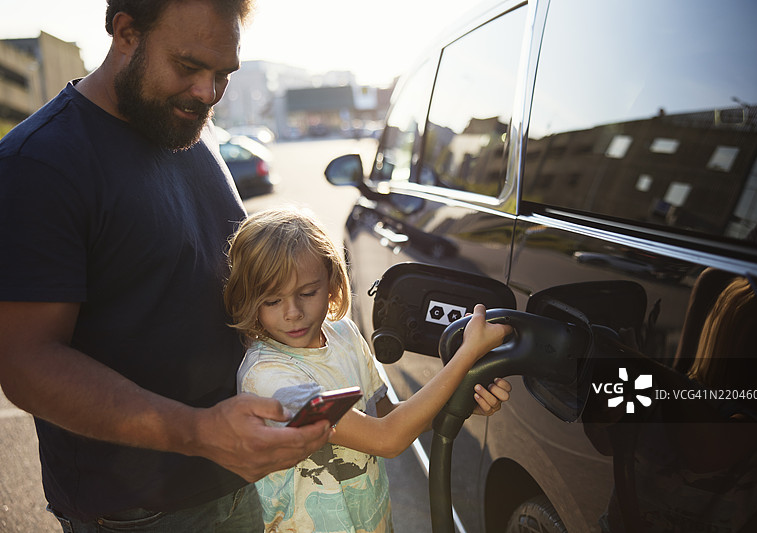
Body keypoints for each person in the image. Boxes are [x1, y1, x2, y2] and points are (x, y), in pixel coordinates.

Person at [0, 1, 330, 531]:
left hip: (236, 479)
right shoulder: (41, 163)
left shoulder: (188, 130)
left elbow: (223, 285)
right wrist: (198, 431)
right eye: (188, 66)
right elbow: (24, 362)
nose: (207, 92)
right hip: (140, 513)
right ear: (126, 32)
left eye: (223, 74)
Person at [224, 207, 514, 532]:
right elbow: (387, 438)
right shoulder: (268, 376)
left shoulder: (344, 335)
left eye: (307, 293)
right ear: (248, 298)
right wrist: (466, 355)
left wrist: (461, 403)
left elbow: (384, 415)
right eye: (272, 301)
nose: (292, 312)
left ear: (333, 282)